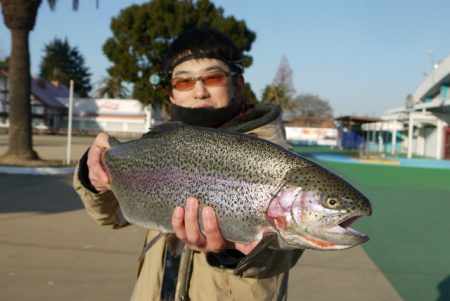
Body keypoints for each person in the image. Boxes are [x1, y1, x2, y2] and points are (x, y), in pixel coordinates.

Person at [73, 28, 303, 301]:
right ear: (170, 93)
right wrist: (92, 175)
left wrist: (232, 252)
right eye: (184, 82)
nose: (200, 91)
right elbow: (114, 216)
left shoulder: (280, 162)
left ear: (238, 85)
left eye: (213, 77)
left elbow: (287, 250)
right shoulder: (156, 149)